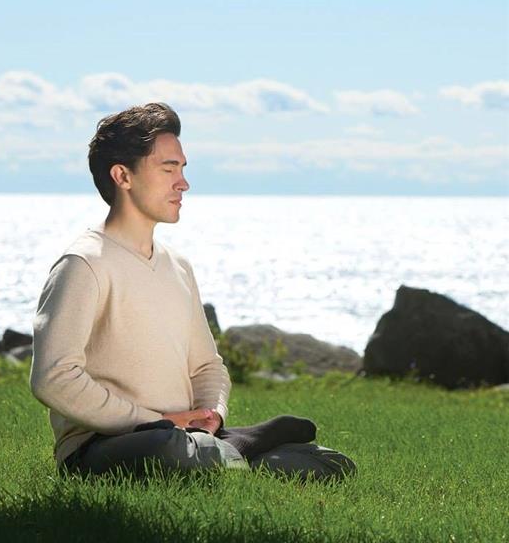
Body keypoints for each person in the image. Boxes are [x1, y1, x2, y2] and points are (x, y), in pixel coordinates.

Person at [30, 102, 356, 483]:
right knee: (166, 450)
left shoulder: (177, 266)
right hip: (107, 445)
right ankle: (241, 447)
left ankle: (224, 449)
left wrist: (211, 412)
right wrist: (157, 422)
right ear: (123, 176)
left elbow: (206, 366)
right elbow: (54, 377)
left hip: (189, 435)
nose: (182, 182)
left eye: (182, 169)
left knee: (332, 464)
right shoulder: (84, 264)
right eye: (168, 169)